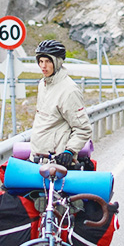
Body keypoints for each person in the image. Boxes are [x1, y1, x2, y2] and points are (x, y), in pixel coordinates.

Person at [30, 39, 91, 169]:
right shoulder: (43, 84)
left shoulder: (69, 90)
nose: (43, 66)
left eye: (48, 61)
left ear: (57, 62)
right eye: (40, 61)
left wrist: (69, 151)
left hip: (58, 162)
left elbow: (83, 128)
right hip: (37, 158)